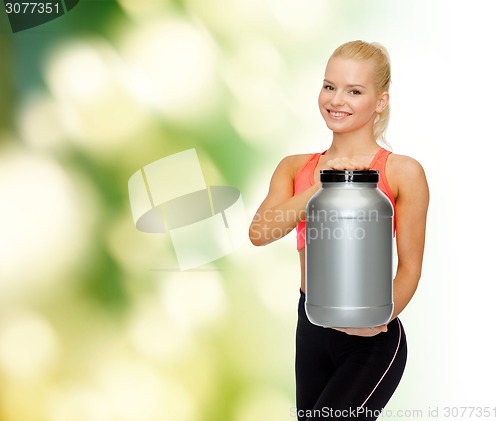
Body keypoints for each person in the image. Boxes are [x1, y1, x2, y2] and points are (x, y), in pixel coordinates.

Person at [248, 40, 429, 420]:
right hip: (311, 329)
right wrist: (326, 184)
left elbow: (409, 269)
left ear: (380, 101)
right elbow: (260, 232)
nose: (337, 100)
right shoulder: (295, 167)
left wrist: (374, 319)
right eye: (330, 86)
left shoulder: (402, 172)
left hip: (370, 341)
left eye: (354, 91)